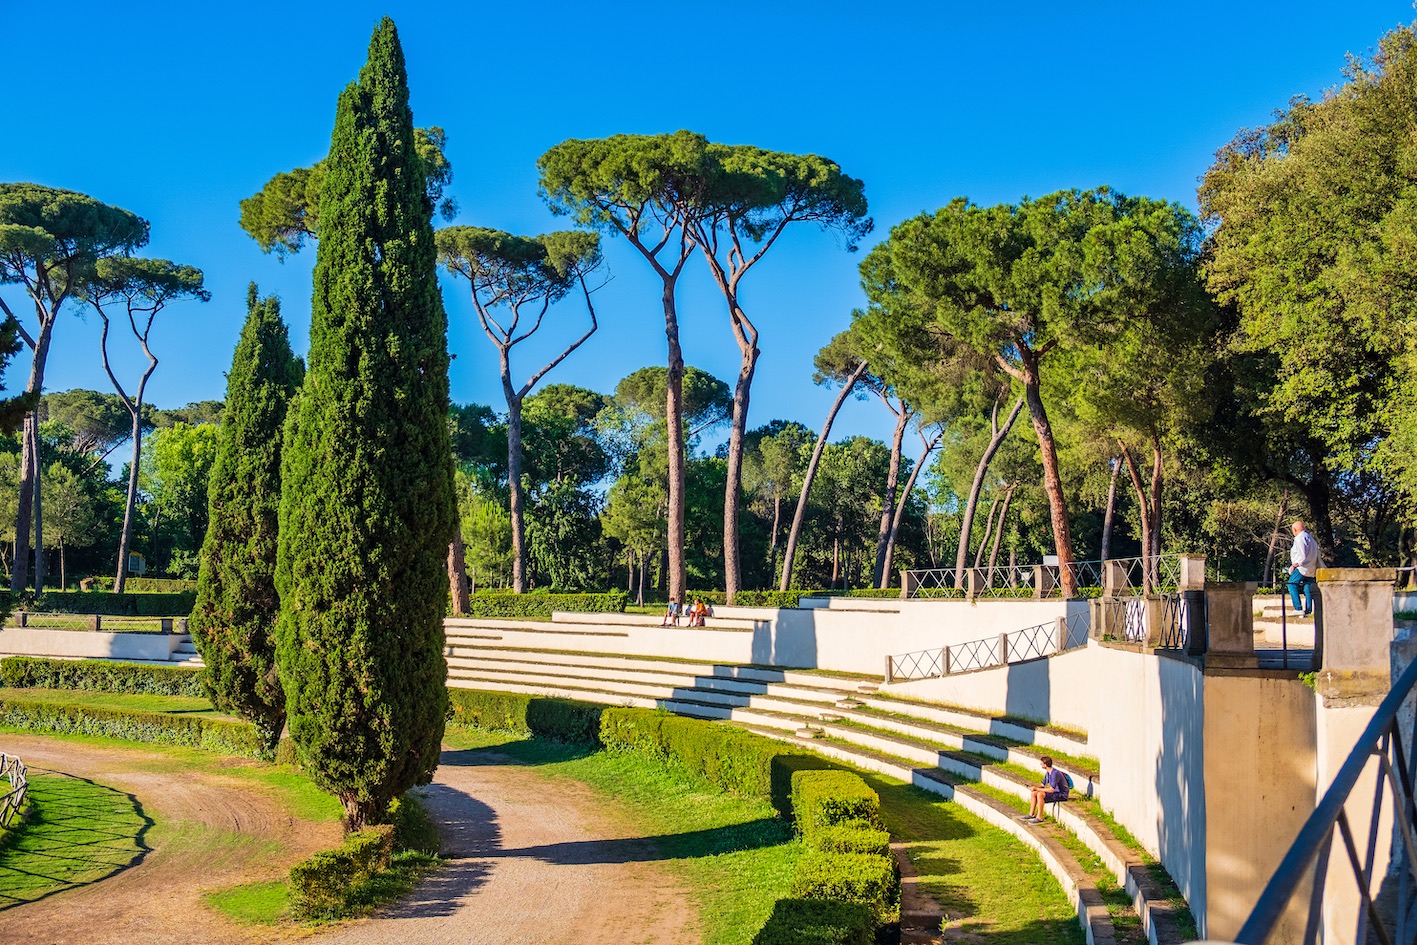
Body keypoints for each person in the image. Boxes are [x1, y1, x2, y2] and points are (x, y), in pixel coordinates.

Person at [1019, 756, 1069, 825]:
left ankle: (1039, 817)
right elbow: (1042, 784)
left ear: (1045, 764)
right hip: (1055, 792)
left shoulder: (1055, 773)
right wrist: (1033, 786)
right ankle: (1031, 814)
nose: (1040, 764)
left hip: (1061, 794)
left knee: (1040, 794)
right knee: (1034, 793)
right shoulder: (1048, 773)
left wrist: (1037, 788)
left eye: (1041, 763)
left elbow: (1051, 789)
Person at [1287, 520, 1320, 617]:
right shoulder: (1311, 538)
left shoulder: (1299, 538)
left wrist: (1294, 565)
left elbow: (1302, 555)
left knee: (1291, 584)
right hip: (1311, 568)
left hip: (1302, 567)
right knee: (1307, 588)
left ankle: (1298, 608)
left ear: (1294, 529)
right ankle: (1308, 610)